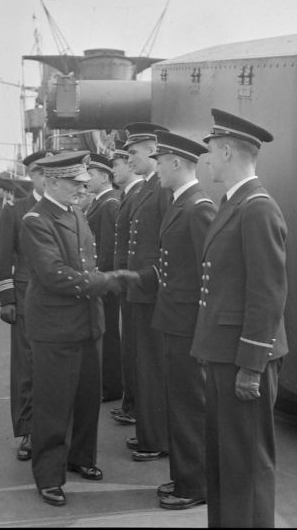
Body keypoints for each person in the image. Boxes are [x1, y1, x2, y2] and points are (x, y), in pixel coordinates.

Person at [191, 108, 288, 528]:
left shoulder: (257, 208)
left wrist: (251, 367)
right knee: (225, 460)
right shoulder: (234, 204)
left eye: (210, 152)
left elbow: (267, 295)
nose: (206, 161)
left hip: (243, 359)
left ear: (227, 151)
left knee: (245, 462)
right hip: (222, 354)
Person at [20, 151, 124, 507]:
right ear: (51, 182)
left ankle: (81, 457)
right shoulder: (36, 220)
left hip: (87, 323)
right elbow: (53, 274)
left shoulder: (75, 212)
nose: (82, 189)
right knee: (53, 404)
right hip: (56, 326)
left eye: (83, 183)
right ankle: (49, 475)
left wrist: (97, 283)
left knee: (86, 397)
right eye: (74, 183)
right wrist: (105, 282)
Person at [128, 131, 217, 509]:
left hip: (188, 328)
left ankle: (196, 485)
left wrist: (202, 334)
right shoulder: (181, 203)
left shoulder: (197, 207)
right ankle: (184, 477)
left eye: (161, 161)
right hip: (174, 322)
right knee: (178, 404)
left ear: (177, 163)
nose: (157, 167)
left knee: (190, 406)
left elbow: (210, 278)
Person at [0, 149, 59, 462]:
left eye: (51, 171)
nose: (46, 177)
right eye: (39, 171)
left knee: (55, 364)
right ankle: (29, 431)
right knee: (26, 366)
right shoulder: (16, 209)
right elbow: (4, 257)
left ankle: (56, 430)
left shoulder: (65, 206)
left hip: (59, 299)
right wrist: (7, 299)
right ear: (32, 176)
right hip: (24, 295)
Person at [123, 122, 172, 461]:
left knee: (154, 368)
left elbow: (168, 245)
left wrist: (149, 278)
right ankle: (148, 431)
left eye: (134, 152)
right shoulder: (144, 189)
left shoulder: (163, 190)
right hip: (141, 291)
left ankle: (156, 439)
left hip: (153, 292)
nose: (130, 159)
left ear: (153, 150)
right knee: (144, 366)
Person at [109, 139, 143, 425]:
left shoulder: (137, 196)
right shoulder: (127, 197)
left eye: (117, 163)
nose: (114, 170)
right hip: (126, 283)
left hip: (135, 283)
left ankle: (135, 404)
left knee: (135, 347)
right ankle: (131, 402)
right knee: (129, 346)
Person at [85, 153, 123, 402]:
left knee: (108, 334)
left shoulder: (109, 203)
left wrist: (103, 280)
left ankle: (110, 388)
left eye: (90, 174)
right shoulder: (99, 202)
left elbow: (108, 248)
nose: (85, 179)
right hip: (101, 280)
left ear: (104, 176)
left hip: (105, 281)